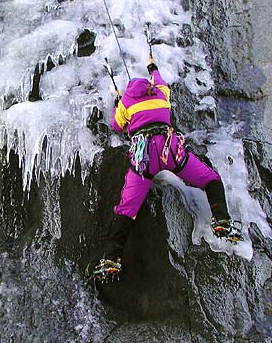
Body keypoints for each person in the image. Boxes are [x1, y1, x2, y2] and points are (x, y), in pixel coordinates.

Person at [88, 54, 243, 282]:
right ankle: (221, 221)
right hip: (169, 150)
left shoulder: (126, 103)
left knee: (127, 209)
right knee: (210, 179)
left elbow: (116, 126)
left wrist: (118, 104)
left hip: (144, 157)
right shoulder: (160, 92)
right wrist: (152, 65)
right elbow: (159, 78)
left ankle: (111, 258)